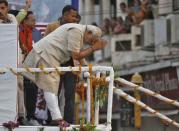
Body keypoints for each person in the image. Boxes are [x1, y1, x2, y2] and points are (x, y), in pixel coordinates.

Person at [22, 23, 107, 127]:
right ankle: (57, 119)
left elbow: (79, 55)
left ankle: (54, 118)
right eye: (91, 40)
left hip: (48, 56)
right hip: (46, 55)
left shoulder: (80, 32)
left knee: (49, 87)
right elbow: (76, 55)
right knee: (50, 87)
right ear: (89, 33)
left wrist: (88, 69)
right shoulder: (76, 31)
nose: (90, 43)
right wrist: (93, 48)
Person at [44, 5, 79, 124]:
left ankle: (69, 121)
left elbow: (78, 49)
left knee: (70, 96)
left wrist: (84, 65)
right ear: (64, 15)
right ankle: (53, 120)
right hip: (54, 66)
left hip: (71, 66)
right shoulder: (51, 27)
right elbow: (45, 45)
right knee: (53, 94)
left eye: (76, 17)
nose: (75, 19)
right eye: (73, 16)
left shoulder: (76, 28)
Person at [19, 11, 42, 125]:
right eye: (32, 20)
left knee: (32, 92)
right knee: (19, 93)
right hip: (17, 68)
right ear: (25, 20)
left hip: (32, 68)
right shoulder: (16, 32)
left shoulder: (37, 33)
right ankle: (19, 117)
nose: (35, 22)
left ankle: (31, 117)